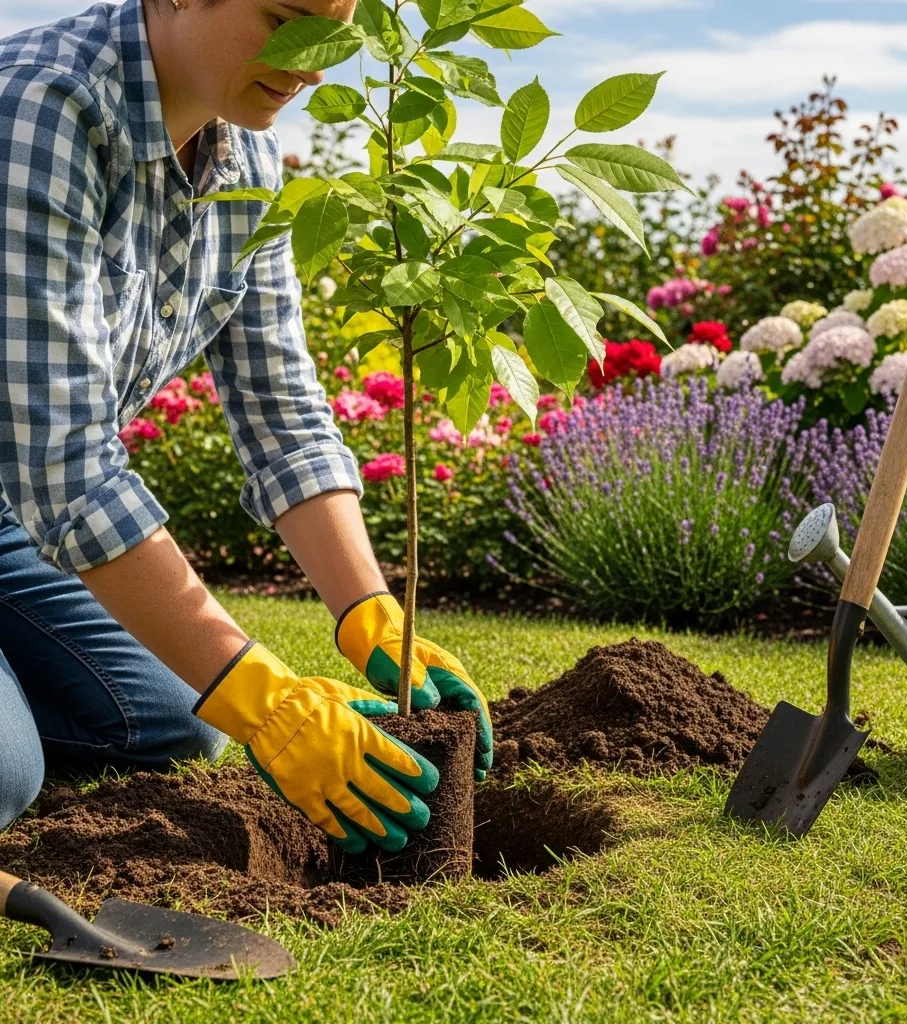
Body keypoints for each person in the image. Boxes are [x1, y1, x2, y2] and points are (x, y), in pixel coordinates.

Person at [0, 0, 491, 856]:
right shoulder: (43, 107)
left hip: (8, 515)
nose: (313, 66)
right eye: (285, 18)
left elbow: (283, 414)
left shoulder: (249, 157)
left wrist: (367, 611)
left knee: (172, 725)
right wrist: (266, 695)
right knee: (9, 775)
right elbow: (68, 465)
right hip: (35, 488)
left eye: (333, 35)